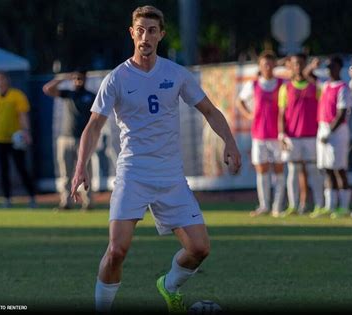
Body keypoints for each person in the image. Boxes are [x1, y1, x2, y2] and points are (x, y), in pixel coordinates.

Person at [70, 6, 241, 313]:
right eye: (140, 30)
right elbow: (93, 126)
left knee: (200, 248)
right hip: (133, 173)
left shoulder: (175, 74)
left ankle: (169, 286)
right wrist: (80, 166)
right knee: (117, 250)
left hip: (170, 176)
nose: (145, 36)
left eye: (151, 30)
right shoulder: (117, 78)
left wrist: (230, 142)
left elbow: (211, 112)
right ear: (131, 33)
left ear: (161, 34)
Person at [237, 51, 285, 217]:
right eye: (265, 64)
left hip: (277, 134)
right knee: (262, 170)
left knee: (279, 169)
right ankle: (264, 205)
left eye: (271, 64)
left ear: (275, 65)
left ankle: (278, 206)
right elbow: (240, 101)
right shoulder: (253, 85)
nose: (268, 67)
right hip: (259, 134)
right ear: (260, 66)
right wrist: (249, 115)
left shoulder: (282, 84)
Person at [42, 69, 96, 210]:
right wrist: (63, 77)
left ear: (85, 79)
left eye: (81, 78)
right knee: (65, 172)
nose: (78, 81)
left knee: (86, 171)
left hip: (84, 139)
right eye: (76, 78)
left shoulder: (90, 96)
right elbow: (47, 89)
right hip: (66, 138)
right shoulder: (69, 94)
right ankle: (66, 202)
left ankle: (88, 202)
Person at [278, 53, 324, 215]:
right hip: (292, 137)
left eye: (301, 64)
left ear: (305, 65)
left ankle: (319, 205)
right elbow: (282, 113)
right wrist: (281, 134)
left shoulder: (315, 86)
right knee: (292, 171)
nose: (298, 67)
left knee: (313, 171)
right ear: (291, 66)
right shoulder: (285, 88)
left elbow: (322, 108)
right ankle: (293, 205)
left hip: (312, 135)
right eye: (295, 64)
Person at [0, 71, 36, 208]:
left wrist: (26, 132)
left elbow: (23, 115)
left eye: (1, 79)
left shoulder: (17, 95)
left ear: (7, 80)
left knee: (21, 168)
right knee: (3, 170)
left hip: (15, 139)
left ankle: (32, 197)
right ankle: (7, 199)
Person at [310, 55, 352, 219]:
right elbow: (308, 75)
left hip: (337, 131)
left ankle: (344, 206)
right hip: (323, 127)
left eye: (333, 67)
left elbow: (342, 114)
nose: (330, 70)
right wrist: (313, 65)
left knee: (339, 168)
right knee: (327, 169)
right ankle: (330, 205)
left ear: (339, 68)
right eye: (328, 67)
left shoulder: (343, 88)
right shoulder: (326, 85)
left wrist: (330, 132)